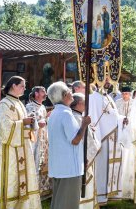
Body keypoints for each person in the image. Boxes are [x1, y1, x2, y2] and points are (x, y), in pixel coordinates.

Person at [0, 76, 41, 209]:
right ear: (13, 86)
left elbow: (25, 125)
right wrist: (23, 122)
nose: (24, 88)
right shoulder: (4, 104)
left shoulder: (19, 103)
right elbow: (4, 128)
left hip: (23, 148)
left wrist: (32, 121)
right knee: (11, 181)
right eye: (22, 86)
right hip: (10, 150)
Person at [47, 81, 91, 209]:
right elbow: (75, 140)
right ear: (64, 95)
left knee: (59, 201)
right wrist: (84, 124)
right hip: (69, 168)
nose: (71, 93)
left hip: (59, 166)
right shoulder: (66, 114)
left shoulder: (55, 113)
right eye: (68, 91)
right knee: (68, 203)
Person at [89, 79, 126, 205]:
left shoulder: (107, 97)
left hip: (113, 138)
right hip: (103, 138)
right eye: (105, 79)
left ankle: (110, 194)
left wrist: (122, 119)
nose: (108, 81)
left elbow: (113, 115)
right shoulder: (93, 98)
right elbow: (93, 119)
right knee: (101, 168)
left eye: (109, 78)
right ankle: (100, 197)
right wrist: (96, 139)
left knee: (110, 167)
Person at [70, 93, 101, 209]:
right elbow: (84, 140)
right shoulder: (77, 118)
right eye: (84, 102)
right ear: (79, 104)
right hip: (82, 157)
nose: (86, 105)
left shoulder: (74, 116)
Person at [26, 85, 52, 198]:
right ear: (36, 94)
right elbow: (28, 123)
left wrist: (47, 119)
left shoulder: (42, 107)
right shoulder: (29, 106)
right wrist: (39, 123)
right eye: (43, 91)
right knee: (35, 162)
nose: (45, 93)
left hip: (43, 140)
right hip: (34, 141)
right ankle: (33, 190)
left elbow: (44, 122)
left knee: (43, 163)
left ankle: (44, 190)